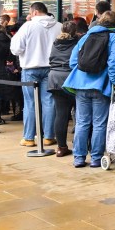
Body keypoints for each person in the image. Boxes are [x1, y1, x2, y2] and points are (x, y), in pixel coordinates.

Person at [63, 11, 115, 168]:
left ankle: (78, 157)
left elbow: (72, 61)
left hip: (80, 84)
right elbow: (114, 62)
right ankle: (96, 158)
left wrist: (82, 73)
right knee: (99, 123)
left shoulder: (86, 36)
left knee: (82, 122)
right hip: (100, 86)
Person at [10, 2, 62, 147]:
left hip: (30, 68)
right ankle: (49, 136)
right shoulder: (59, 26)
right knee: (49, 102)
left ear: (34, 12)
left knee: (30, 103)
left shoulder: (28, 26)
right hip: (52, 68)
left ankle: (28, 137)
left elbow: (15, 48)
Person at [47, 21, 79, 157]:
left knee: (61, 114)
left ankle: (61, 147)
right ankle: (80, 144)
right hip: (72, 79)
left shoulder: (56, 42)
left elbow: (50, 59)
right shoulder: (77, 42)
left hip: (54, 79)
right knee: (80, 114)